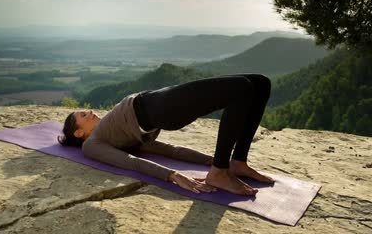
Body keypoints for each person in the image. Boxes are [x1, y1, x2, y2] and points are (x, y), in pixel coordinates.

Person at [58, 74, 275, 196]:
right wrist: (173, 175)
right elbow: (130, 162)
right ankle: (219, 172)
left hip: (156, 102)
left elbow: (170, 150)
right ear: (79, 132)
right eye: (84, 115)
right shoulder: (92, 145)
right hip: (157, 109)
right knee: (242, 88)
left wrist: (210, 159)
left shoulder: (121, 137)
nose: (91, 112)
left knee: (260, 84)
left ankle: (236, 162)